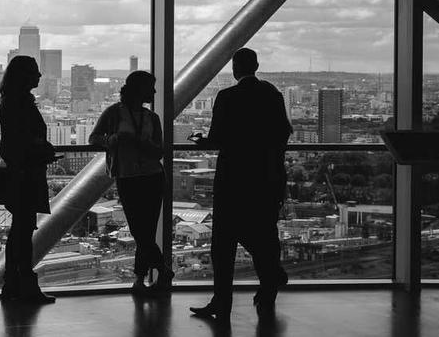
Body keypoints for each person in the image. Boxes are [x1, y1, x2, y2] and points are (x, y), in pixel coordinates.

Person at [188, 48, 293, 320]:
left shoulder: (227, 97)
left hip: (233, 180)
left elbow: (218, 139)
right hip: (266, 179)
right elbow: (283, 133)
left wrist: (202, 142)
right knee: (264, 233)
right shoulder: (273, 95)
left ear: (235, 69)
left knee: (223, 244)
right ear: (256, 66)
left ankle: (222, 302)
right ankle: (269, 286)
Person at [89, 70, 171, 296]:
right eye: (150, 87)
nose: (154, 92)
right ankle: (162, 270)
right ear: (139, 90)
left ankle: (140, 279)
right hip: (132, 177)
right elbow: (94, 138)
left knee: (144, 230)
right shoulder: (114, 113)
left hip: (149, 176)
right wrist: (114, 140)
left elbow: (159, 151)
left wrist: (134, 142)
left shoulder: (151, 117)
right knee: (140, 231)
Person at [0, 55, 58, 304]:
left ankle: (14, 285)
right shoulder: (20, 103)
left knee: (20, 230)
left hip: (16, 172)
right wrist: (42, 150)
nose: (39, 76)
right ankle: (23, 285)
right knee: (23, 231)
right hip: (24, 173)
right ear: (24, 76)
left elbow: (15, 139)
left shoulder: (11, 101)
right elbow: (23, 139)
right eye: (35, 72)